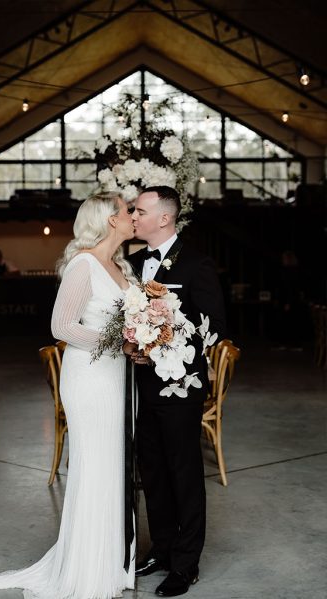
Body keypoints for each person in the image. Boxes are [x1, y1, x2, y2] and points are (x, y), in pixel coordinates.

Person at [0, 192, 136, 599]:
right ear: (110, 220)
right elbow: (62, 326)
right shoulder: (83, 264)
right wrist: (120, 342)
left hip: (120, 377)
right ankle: (86, 568)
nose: (134, 215)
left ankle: (114, 562)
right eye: (127, 209)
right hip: (91, 377)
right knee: (95, 465)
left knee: (117, 467)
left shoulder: (122, 267)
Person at [127, 186, 226, 597]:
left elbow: (214, 328)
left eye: (140, 210)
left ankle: (186, 564)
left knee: (184, 473)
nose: (133, 216)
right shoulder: (131, 264)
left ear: (164, 218)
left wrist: (163, 349)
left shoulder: (197, 264)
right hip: (138, 389)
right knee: (153, 471)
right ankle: (163, 548)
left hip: (179, 389)